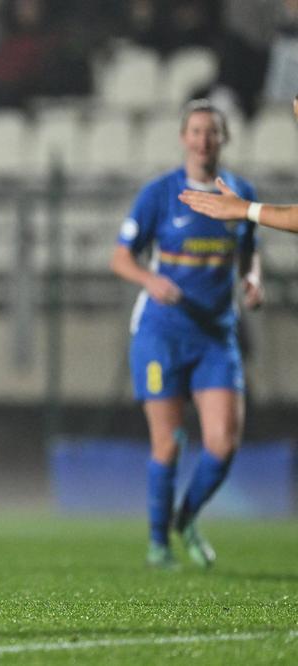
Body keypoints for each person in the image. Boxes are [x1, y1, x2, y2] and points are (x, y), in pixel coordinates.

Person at [110, 99, 264, 570]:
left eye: (212, 132)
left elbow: (248, 252)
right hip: (161, 332)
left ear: (224, 139)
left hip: (216, 335)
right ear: (183, 138)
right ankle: (158, 544)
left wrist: (254, 278)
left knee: (222, 443)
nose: (203, 140)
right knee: (169, 442)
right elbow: (121, 257)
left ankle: (186, 518)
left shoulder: (239, 192)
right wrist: (149, 280)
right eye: (196, 131)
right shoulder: (160, 194)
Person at [178, 94, 298, 233]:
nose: (203, 141)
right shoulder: (158, 191)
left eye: (213, 132)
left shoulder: (243, 190)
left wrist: (245, 208)